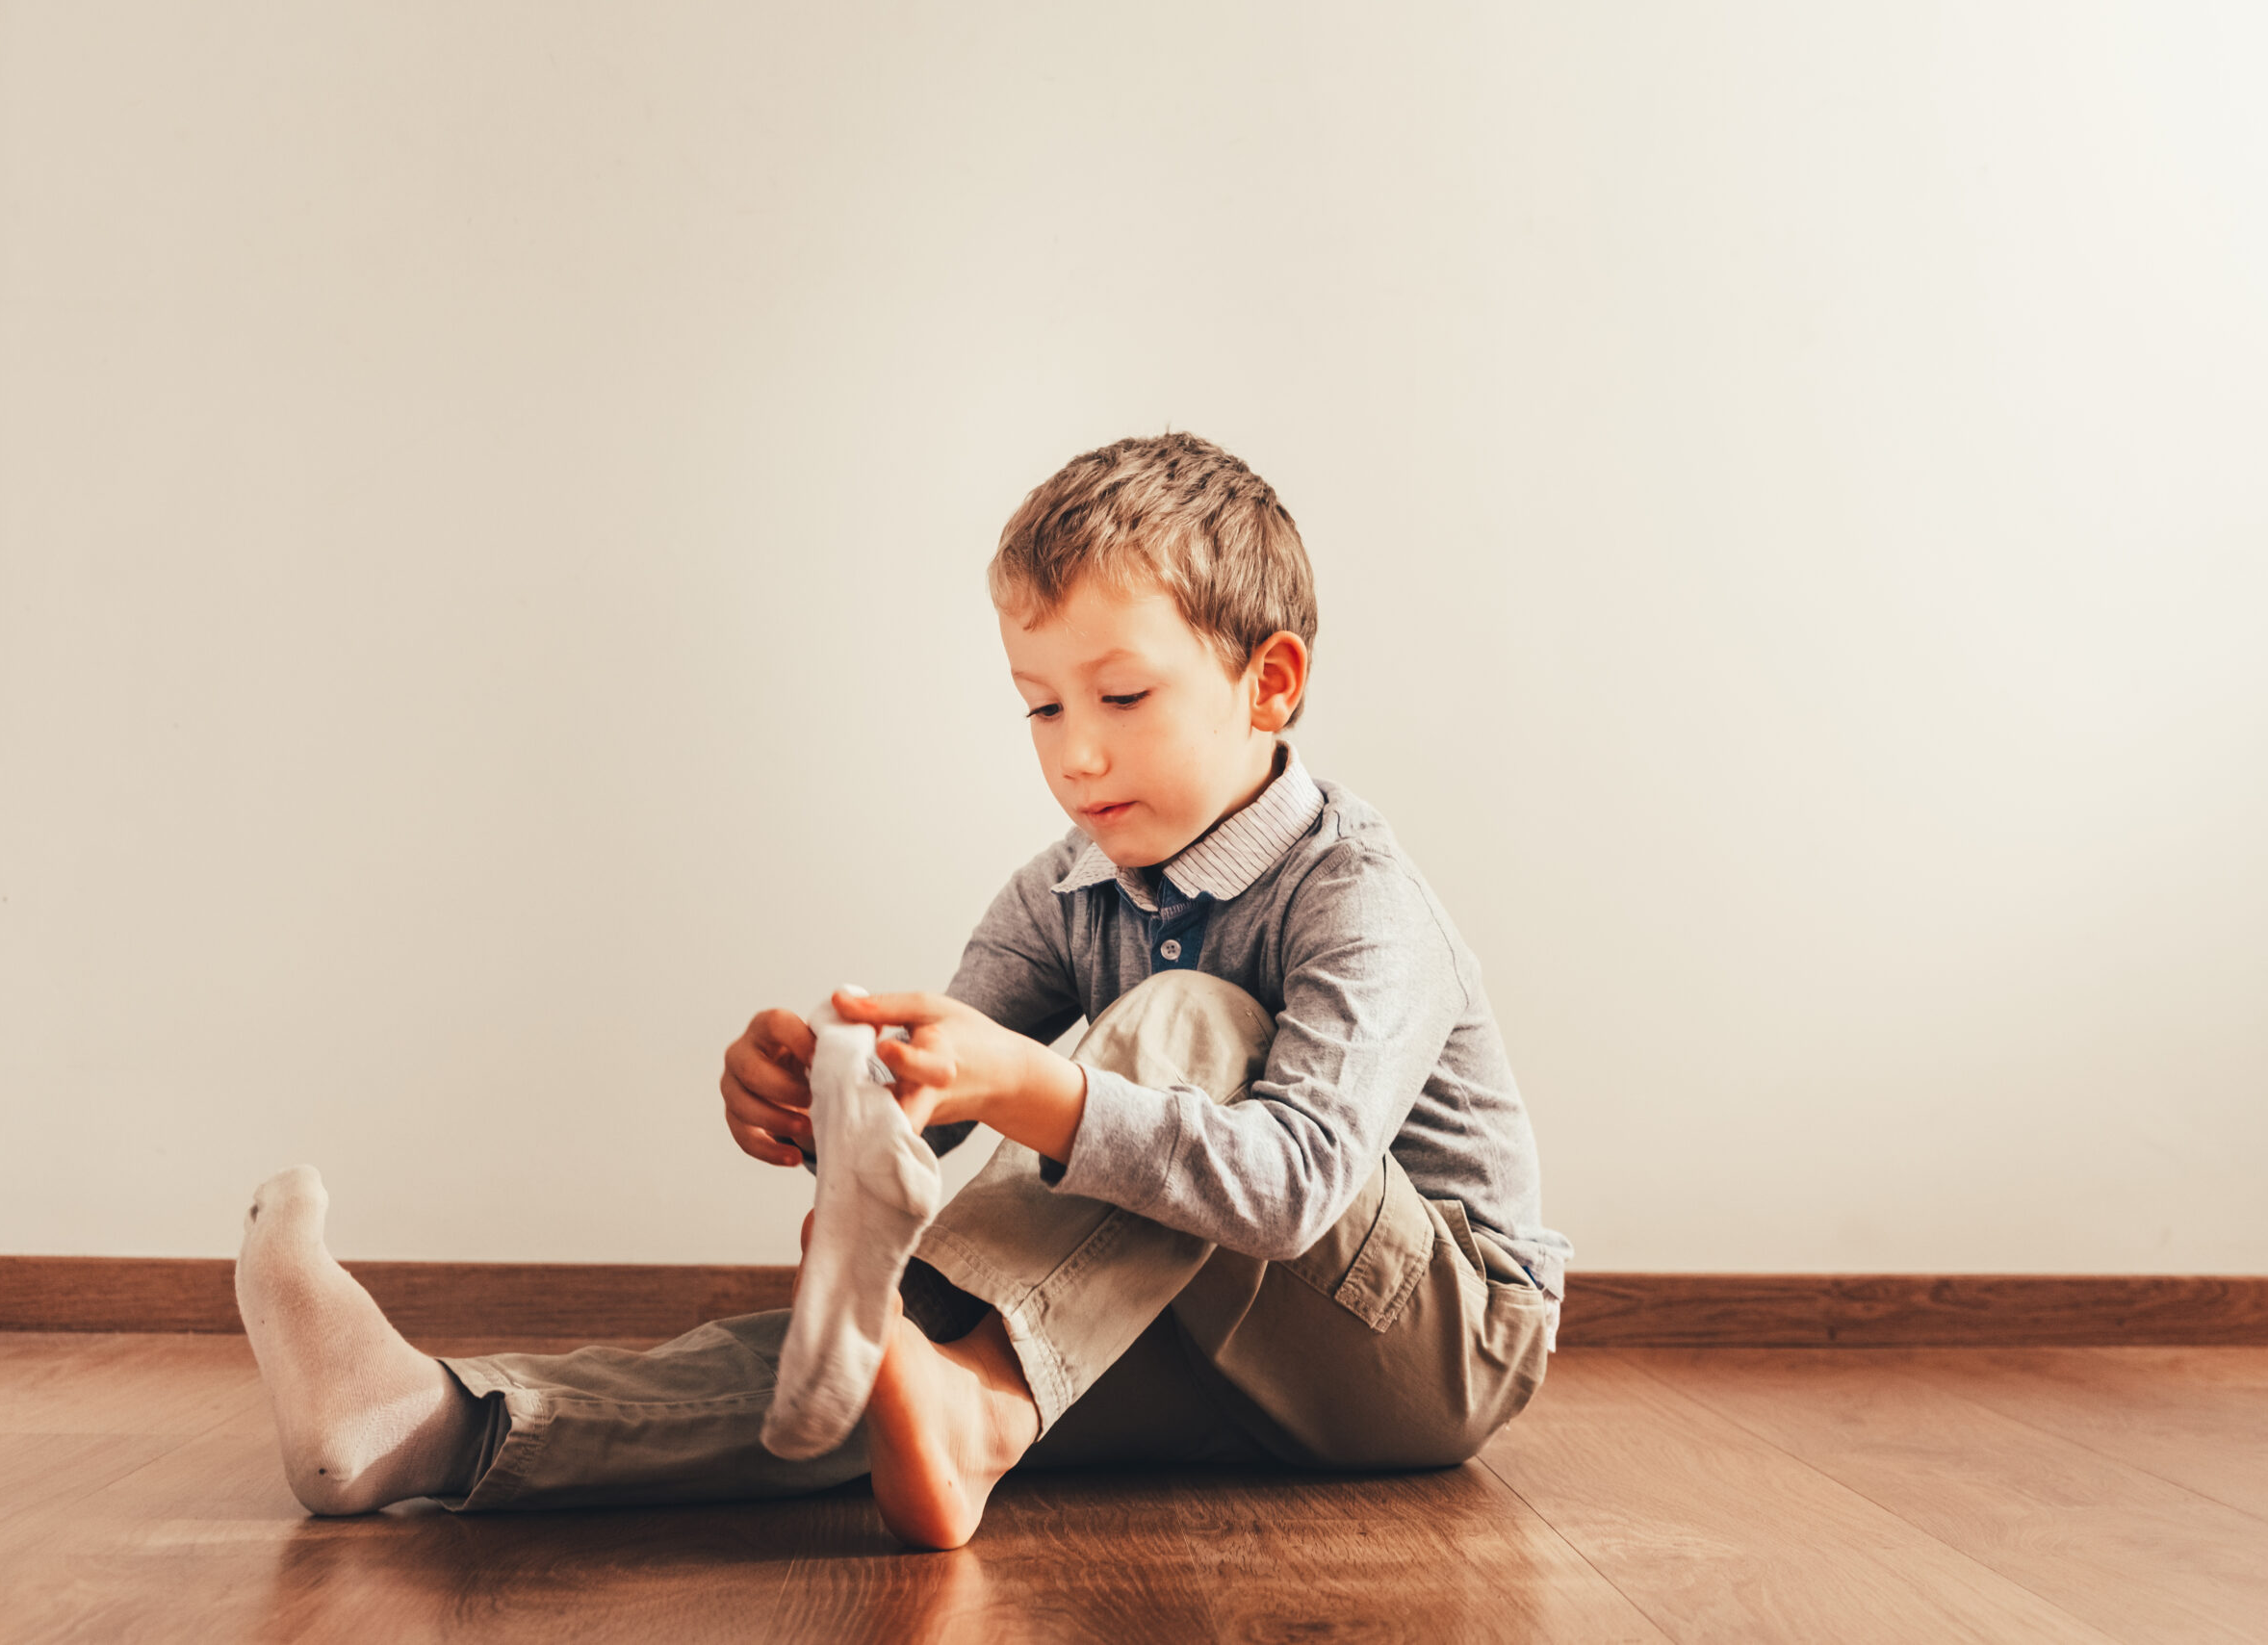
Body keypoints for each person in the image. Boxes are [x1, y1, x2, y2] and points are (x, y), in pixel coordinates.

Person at [232, 432, 1571, 1549]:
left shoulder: (1358, 898)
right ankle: (427, 1423)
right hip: (1210, 1332)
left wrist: (1031, 1087)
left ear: (1268, 682)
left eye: (1119, 694)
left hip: (1429, 1346)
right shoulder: (1066, 888)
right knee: (883, 1355)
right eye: (1041, 708)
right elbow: (936, 1096)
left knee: (1192, 1027)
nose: (1078, 754)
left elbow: (1292, 1188)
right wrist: (829, 1093)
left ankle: (981, 1407)